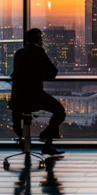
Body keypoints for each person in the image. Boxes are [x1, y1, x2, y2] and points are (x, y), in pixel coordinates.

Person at [9, 28, 66, 156]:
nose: (42, 41)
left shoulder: (18, 53)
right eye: (41, 38)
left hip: (17, 97)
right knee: (59, 112)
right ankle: (47, 140)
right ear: (38, 39)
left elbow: (16, 73)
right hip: (34, 96)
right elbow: (52, 73)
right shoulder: (39, 52)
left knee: (17, 124)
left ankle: (25, 144)